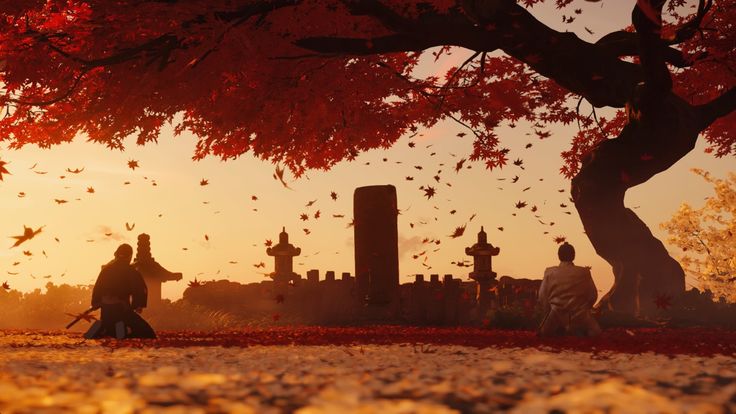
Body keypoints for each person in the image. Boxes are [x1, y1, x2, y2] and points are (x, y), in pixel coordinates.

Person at [87, 243, 156, 339]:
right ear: (129, 256)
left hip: (106, 307)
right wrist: (137, 305)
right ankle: (114, 334)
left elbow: (98, 287)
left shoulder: (106, 270)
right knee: (147, 334)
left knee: (107, 324)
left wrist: (95, 302)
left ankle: (93, 333)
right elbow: (140, 289)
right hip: (122, 308)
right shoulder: (131, 271)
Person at [537, 242, 601, 337]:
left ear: (559, 256)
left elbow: (542, 297)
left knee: (544, 334)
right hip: (581, 315)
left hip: (555, 316)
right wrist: (585, 309)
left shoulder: (549, 272)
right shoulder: (584, 272)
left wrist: (548, 313)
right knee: (596, 333)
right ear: (573, 256)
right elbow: (593, 295)